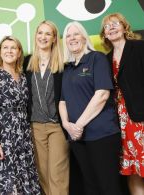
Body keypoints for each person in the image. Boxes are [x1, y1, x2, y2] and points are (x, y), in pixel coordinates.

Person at [59, 21, 123, 195]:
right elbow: (62, 101)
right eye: (68, 35)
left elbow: (102, 94)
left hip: (101, 134)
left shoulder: (97, 58)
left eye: (76, 34)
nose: (72, 38)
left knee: (108, 186)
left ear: (84, 37)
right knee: (90, 186)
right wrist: (67, 125)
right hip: (77, 138)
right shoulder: (68, 68)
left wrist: (78, 125)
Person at [0, 36, 41, 194]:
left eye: (13, 48)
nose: (9, 51)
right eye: (5, 48)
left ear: (19, 53)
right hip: (4, 136)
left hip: (23, 135)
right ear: (0, 52)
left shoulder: (23, 77)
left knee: (26, 175)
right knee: (8, 177)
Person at [100, 13, 144, 195]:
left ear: (124, 27)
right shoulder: (106, 59)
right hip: (120, 120)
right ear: (104, 34)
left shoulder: (140, 47)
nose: (111, 27)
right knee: (131, 167)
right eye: (107, 26)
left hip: (140, 116)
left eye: (115, 24)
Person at [23, 20, 69, 195]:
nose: (43, 37)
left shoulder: (63, 62)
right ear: (35, 36)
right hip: (35, 126)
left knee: (57, 174)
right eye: (40, 33)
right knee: (42, 174)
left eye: (48, 34)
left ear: (54, 38)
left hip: (57, 125)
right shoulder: (27, 61)